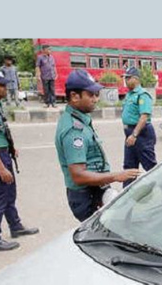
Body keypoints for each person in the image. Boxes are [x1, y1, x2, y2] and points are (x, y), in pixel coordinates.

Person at [55, 69, 140, 222]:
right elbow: (78, 175)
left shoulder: (79, 118)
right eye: (91, 95)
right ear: (74, 96)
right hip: (86, 196)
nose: (95, 99)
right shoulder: (74, 130)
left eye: (96, 94)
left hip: (95, 189)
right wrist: (116, 176)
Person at [0, 69, 39, 252]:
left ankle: (15, 226)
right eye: (1, 85)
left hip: (2, 153)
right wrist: (1, 167)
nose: (5, 89)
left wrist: (10, 149)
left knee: (9, 193)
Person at [121, 67, 157, 188]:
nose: (125, 80)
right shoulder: (129, 95)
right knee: (129, 166)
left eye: (128, 78)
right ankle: (126, 194)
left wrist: (134, 135)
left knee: (150, 166)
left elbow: (144, 117)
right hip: (130, 133)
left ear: (136, 79)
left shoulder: (143, 95)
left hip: (141, 133)